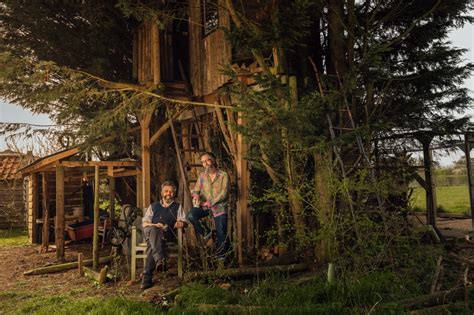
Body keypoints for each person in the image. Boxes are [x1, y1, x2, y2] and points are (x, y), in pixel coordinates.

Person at [141, 181, 185, 290]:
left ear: (174, 193)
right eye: (166, 191)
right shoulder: (153, 206)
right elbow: (144, 223)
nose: (168, 193)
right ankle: (160, 259)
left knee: (152, 244)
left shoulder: (178, 207)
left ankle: (147, 276)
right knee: (153, 230)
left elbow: (184, 221)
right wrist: (154, 225)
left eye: (171, 191)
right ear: (161, 193)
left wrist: (181, 223)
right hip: (151, 232)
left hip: (166, 235)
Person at [187, 152, 230, 261]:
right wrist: (196, 196)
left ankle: (222, 259)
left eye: (208, 160)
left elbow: (224, 193)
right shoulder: (202, 176)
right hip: (204, 207)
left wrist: (211, 202)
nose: (206, 163)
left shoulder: (223, 175)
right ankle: (207, 233)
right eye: (203, 162)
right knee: (191, 215)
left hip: (219, 207)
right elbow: (196, 189)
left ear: (213, 160)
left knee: (222, 232)